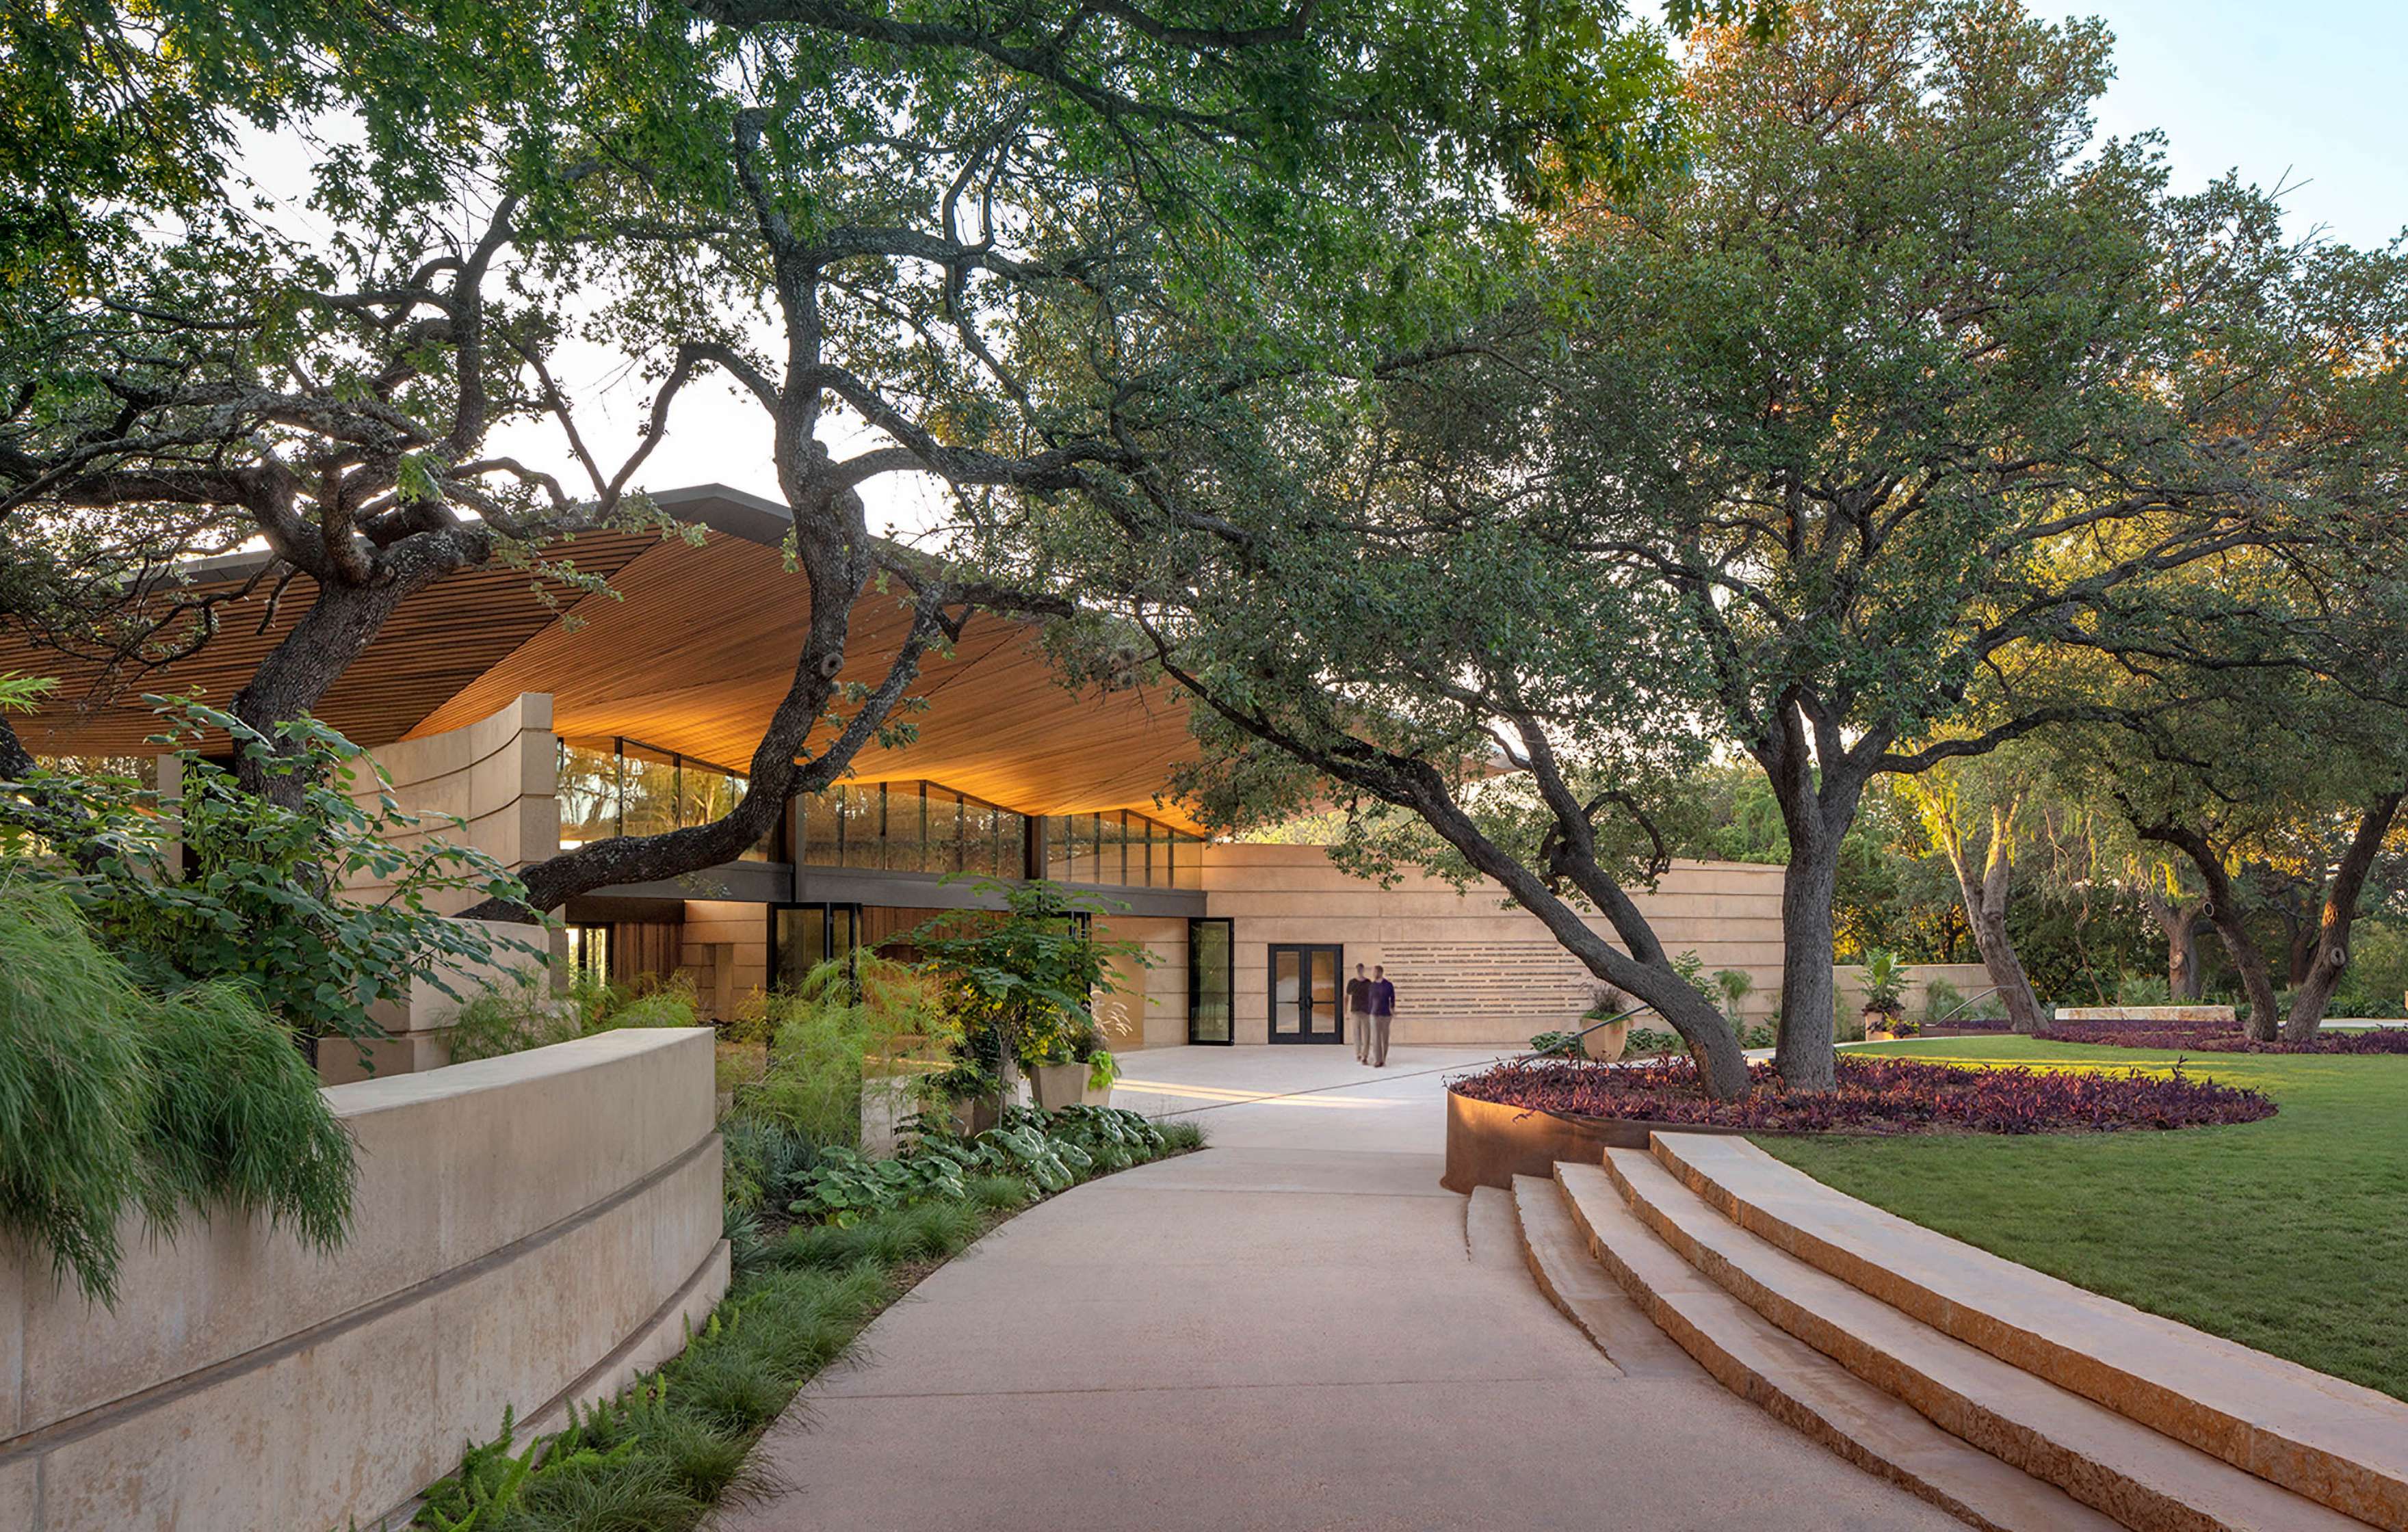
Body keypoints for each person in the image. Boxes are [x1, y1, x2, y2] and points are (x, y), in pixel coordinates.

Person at [1367, 964, 1396, 1068]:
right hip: (1374, 1014)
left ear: (1380, 972)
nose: (1373, 974)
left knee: (1384, 1038)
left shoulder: (1388, 985)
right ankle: (1378, 1060)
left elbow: (1392, 998)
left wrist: (1392, 1009)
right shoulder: (1372, 985)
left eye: (1374, 972)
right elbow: (1370, 1000)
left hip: (1385, 1014)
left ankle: (1383, 1058)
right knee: (1375, 1038)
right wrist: (1369, 1011)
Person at [1346, 962, 1374, 1063]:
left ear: (1363, 970)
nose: (1360, 971)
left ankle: (1365, 1055)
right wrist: (1346, 1011)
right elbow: (1347, 996)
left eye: (1361, 969)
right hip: (1355, 1010)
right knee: (1356, 1033)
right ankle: (1358, 1054)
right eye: (1358, 969)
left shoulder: (1368, 983)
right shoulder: (1352, 982)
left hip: (1366, 1011)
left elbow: (1372, 997)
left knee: (1366, 1034)